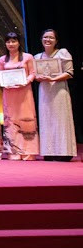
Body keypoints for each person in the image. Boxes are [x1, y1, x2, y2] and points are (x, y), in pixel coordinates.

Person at [35, 29, 77, 161]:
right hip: (44, 91)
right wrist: (38, 77)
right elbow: (35, 74)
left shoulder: (62, 53)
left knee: (61, 120)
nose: (48, 40)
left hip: (59, 90)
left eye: (51, 37)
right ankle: (49, 151)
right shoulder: (37, 57)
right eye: (45, 37)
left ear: (56, 40)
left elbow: (69, 72)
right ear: (41, 39)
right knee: (46, 119)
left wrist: (53, 79)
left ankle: (64, 152)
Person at [0, 31, 38, 160]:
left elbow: (33, 73)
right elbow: (0, 76)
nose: (11, 44)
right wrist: (4, 83)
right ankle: (13, 152)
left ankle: (28, 152)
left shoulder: (28, 57)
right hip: (9, 94)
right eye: (8, 42)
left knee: (26, 120)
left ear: (19, 43)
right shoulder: (2, 59)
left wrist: (26, 81)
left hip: (24, 93)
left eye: (13, 41)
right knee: (11, 121)